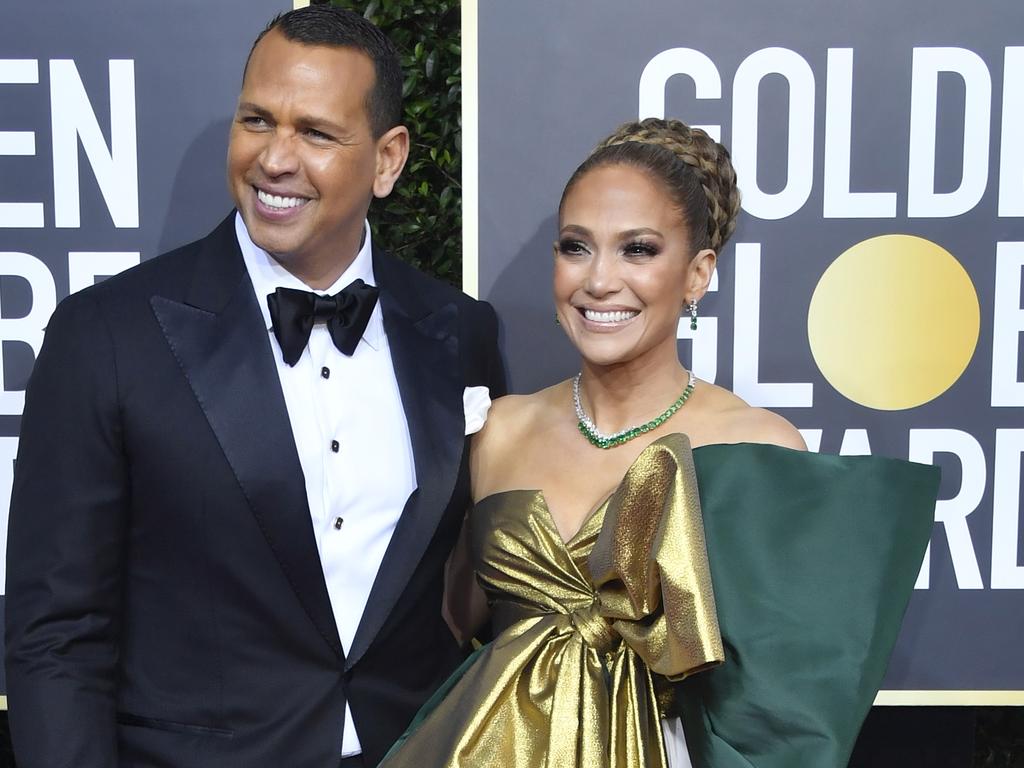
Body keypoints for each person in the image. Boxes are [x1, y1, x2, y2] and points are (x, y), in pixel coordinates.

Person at [4, 6, 504, 767]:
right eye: (257, 120)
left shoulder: (459, 333)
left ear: (388, 158)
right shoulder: (107, 334)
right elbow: (55, 633)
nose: (274, 158)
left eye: (316, 132)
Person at [377, 118, 939, 768]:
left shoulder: (758, 448)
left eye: (637, 250)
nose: (599, 280)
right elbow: (453, 628)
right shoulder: (501, 430)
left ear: (697, 275)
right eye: (575, 246)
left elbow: (780, 720)